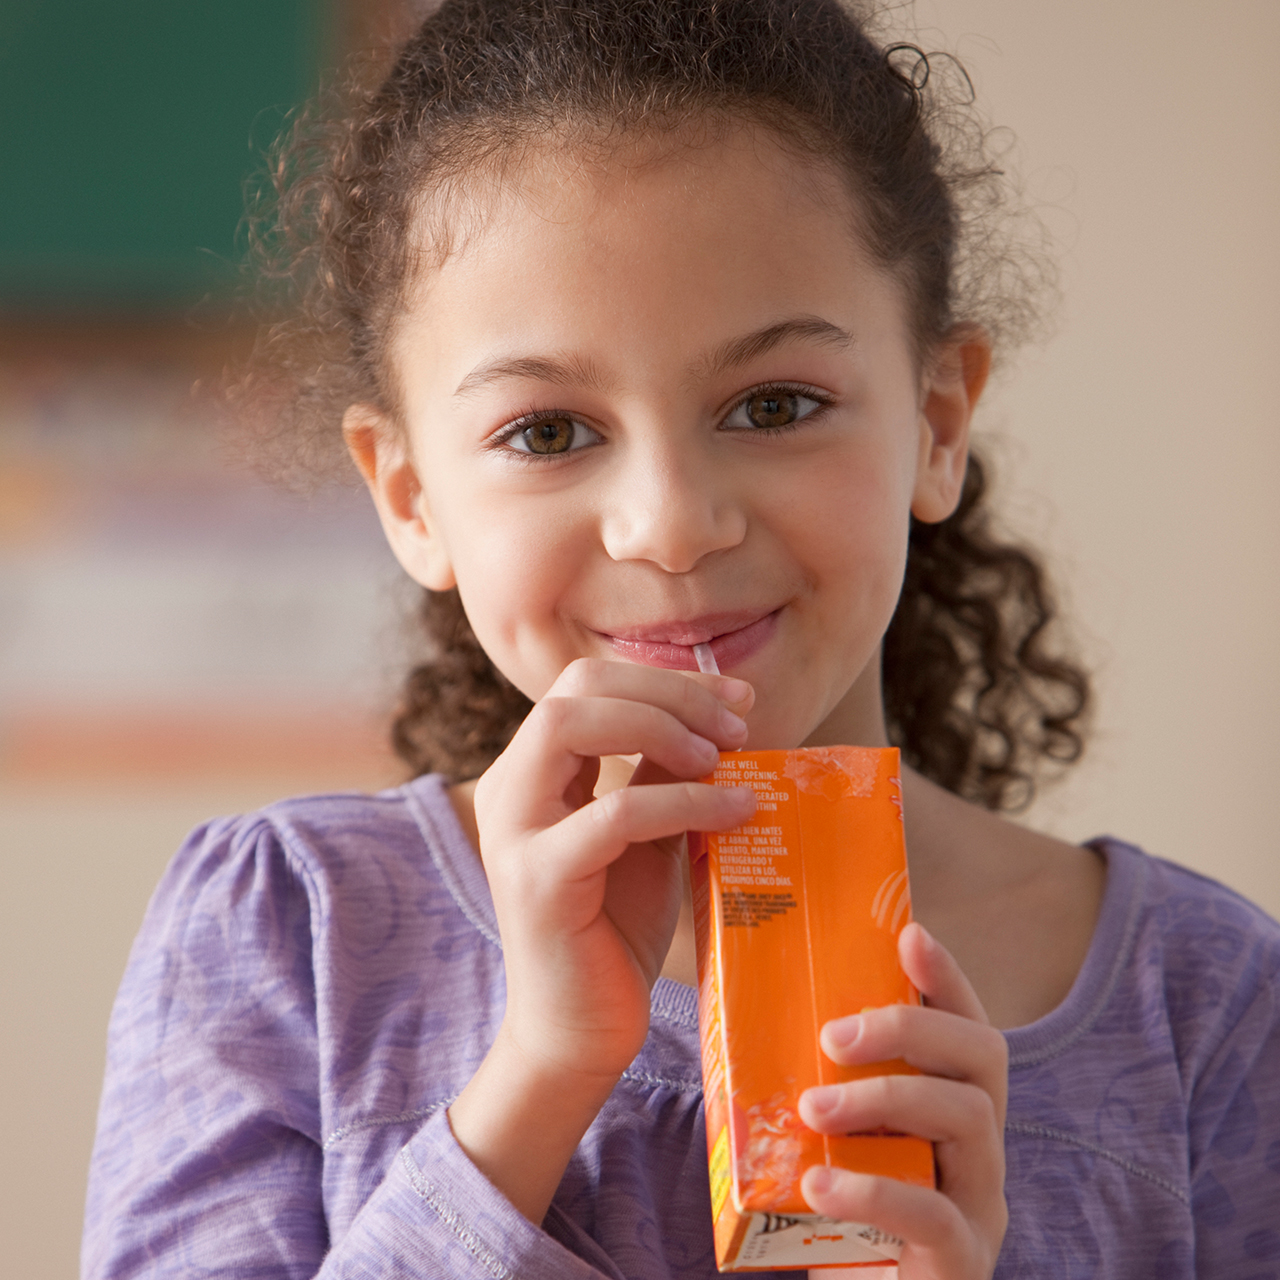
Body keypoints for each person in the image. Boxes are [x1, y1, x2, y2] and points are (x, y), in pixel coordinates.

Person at [82, 0, 1280, 1276]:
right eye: (547, 430)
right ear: (409, 495)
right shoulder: (288, 937)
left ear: (935, 423)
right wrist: (538, 1081)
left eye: (772, 403)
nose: (669, 524)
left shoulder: (1202, 1004)